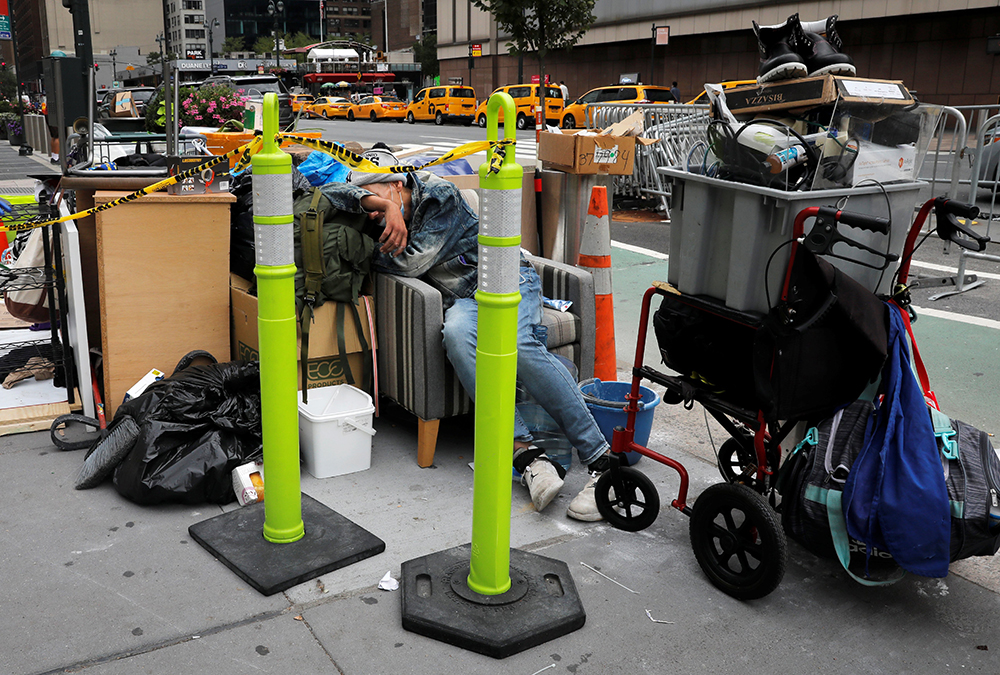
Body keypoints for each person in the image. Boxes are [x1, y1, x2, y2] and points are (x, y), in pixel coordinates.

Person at [319, 149, 613, 522]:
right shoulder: (385, 209)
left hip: (508, 280)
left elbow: (411, 262)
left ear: (398, 183)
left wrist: (364, 245)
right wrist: (382, 205)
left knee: (518, 345)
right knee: (456, 333)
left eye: (379, 202)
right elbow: (330, 194)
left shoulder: (439, 195)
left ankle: (602, 460)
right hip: (465, 300)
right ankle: (525, 453)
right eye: (369, 207)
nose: (373, 218)